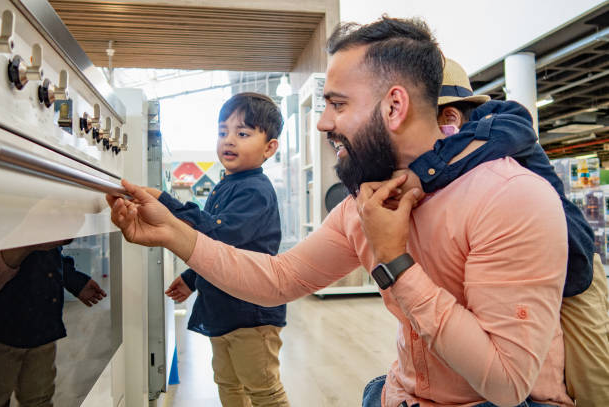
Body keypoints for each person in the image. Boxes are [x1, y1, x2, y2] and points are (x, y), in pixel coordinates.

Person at [107, 17, 573, 407]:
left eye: (337, 103)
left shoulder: (512, 198)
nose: (323, 121)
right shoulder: (363, 204)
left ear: (394, 106)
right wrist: (172, 233)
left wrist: (395, 261)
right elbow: (278, 280)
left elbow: (507, 383)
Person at [400, 57, 609, 407]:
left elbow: (510, 131)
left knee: (592, 381)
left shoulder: (503, 124)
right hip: (515, 280)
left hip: (574, 275)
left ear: (449, 118)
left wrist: (421, 172)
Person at [146, 92, 290, 407]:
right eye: (223, 131)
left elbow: (220, 236)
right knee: (228, 382)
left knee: (263, 390)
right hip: (223, 309)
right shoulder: (227, 185)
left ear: (269, 147)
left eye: (243, 133)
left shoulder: (255, 191)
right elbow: (215, 251)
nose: (229, 140)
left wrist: (166, 204)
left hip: (252, 313)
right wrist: (191, 278)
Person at [0, 240, 106, 407]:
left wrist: (76, 281)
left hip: (43, 331)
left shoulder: (45, 226)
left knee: (39, 398)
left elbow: (51, 257)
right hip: (5, 333)